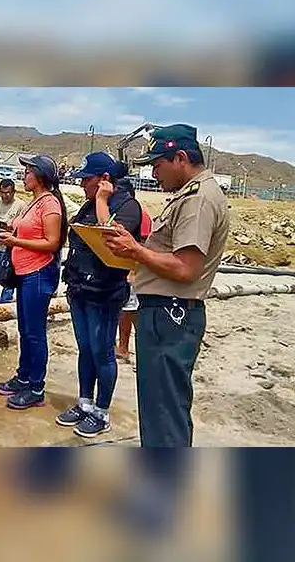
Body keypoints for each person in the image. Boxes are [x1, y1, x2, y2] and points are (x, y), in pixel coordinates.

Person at [102, 124, 230, 447]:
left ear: (181, 158)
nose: (154, 173)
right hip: (166, 315)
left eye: (157, 165)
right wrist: (136, 247)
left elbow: (186, 268)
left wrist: (136, 250)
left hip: (171, 317)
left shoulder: (197, 200)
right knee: (161, 411)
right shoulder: (188, 196)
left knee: (164, 416)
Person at [56, 152, 144, 438]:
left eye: (87, 180)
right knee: (86, 350)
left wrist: (103, 200)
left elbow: (111, 241)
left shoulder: (128, 207)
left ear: (104, 180)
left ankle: (101, 412)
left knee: (102, 351)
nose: (82, 185)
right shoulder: (88, 205)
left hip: (105, 292)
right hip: (81, 288)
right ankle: (85, 403)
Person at [0, 154, 67, 410]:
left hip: (39, 273)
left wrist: (16, 242)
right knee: (25, 329)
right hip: (25, 273)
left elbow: (52, 243)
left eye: (27, 172)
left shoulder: (50, 204)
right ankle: (23, 376)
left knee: (35, 333)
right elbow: (25, 228)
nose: (23, 175)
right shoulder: (35, 203)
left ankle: (36, 387)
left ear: (40, 176)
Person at [116, 207, 153, 364]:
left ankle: (129, 350)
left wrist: (134, 270)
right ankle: (124, 348)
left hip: (135, 272)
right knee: (126, 311)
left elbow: (144, 244)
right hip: (126, 271)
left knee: (131, 312)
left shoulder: (139, 216)